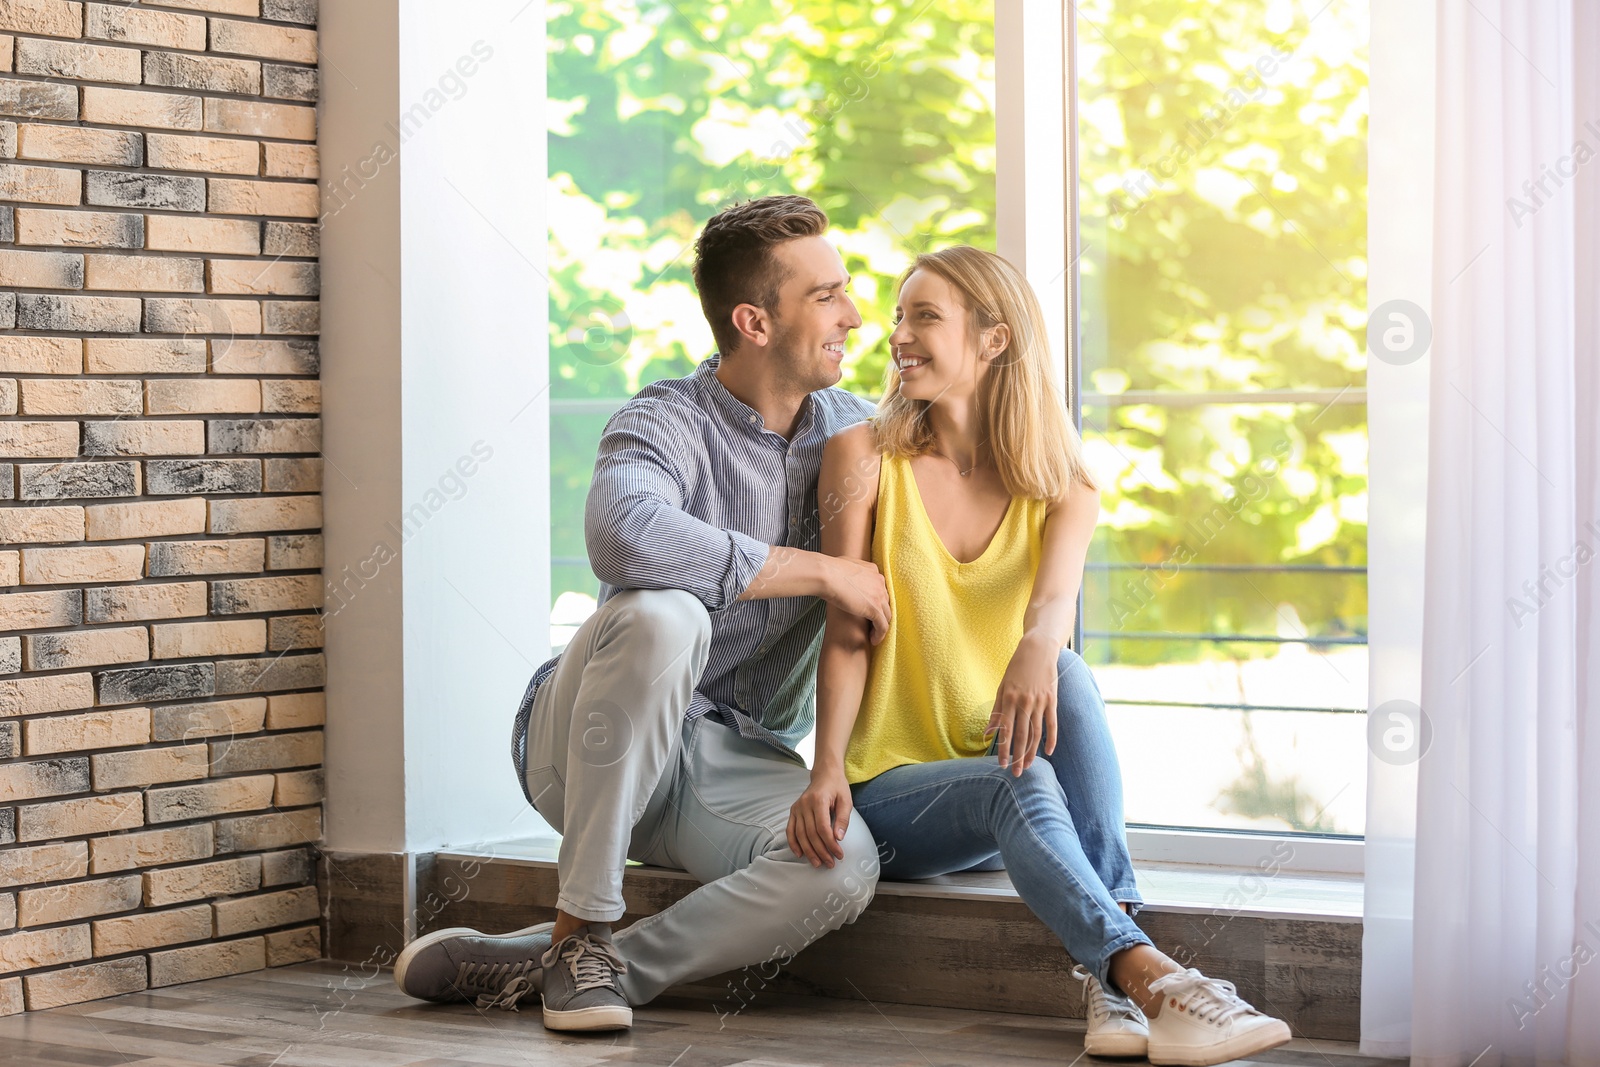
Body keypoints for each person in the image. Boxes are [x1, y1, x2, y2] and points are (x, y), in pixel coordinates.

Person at [392, 195, 891, 1030]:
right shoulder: (663, 419)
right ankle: (582, 920)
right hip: (589, 744)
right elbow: (623, 536)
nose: (854, 314)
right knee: (669, 615)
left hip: (726, 759)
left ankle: (580, 962)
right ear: (753, 322)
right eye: (826, 295)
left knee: (842, 869)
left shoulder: (855, 437)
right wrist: (823, 571)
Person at [786, 246, 1293, 1066]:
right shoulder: (863, 457)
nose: (898, 337)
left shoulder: (1063, 483)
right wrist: (827, 768)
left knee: (1065, 669)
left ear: (994, 340)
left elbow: (1055, 605)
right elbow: (846, 628)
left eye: (925, 317)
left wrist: (1034, 643)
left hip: (1013, 784)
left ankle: (1112, 984)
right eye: (897, 318)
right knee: (1012, 774)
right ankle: (1153, 981)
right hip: (899, 795)